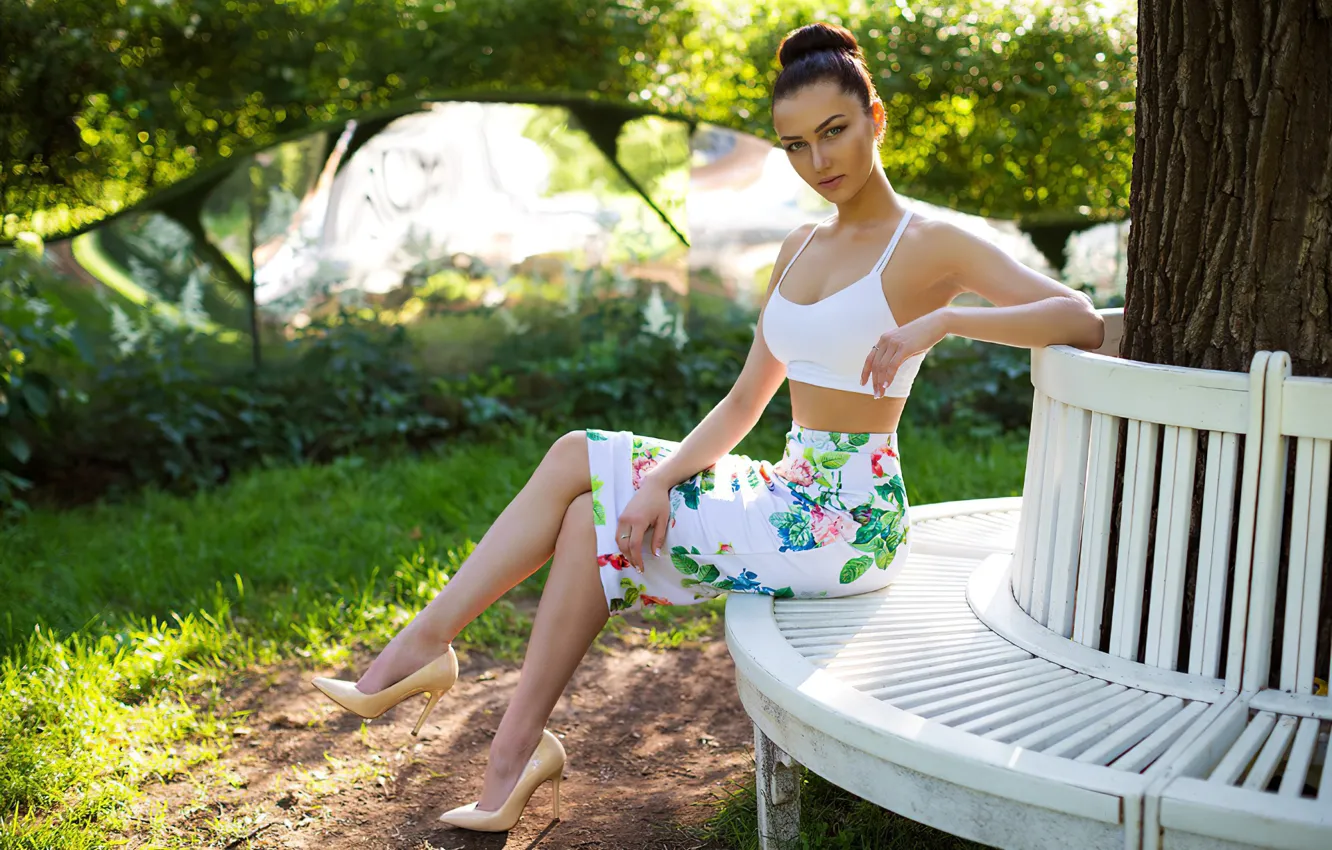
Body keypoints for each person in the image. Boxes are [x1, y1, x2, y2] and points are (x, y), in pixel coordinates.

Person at [310, 20, 1105, 833]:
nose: (819, 161)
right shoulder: (798, 246)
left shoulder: (930, 241)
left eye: (834, 132)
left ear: (876, 117)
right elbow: (742, 402)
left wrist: (942, 323)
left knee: (584, 471)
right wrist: (659, 482)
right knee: (593, 498)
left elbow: (1077, 319)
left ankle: (424, 657)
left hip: (849, 522)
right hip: (792, 486)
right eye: (796, 146)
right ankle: (512, 751)